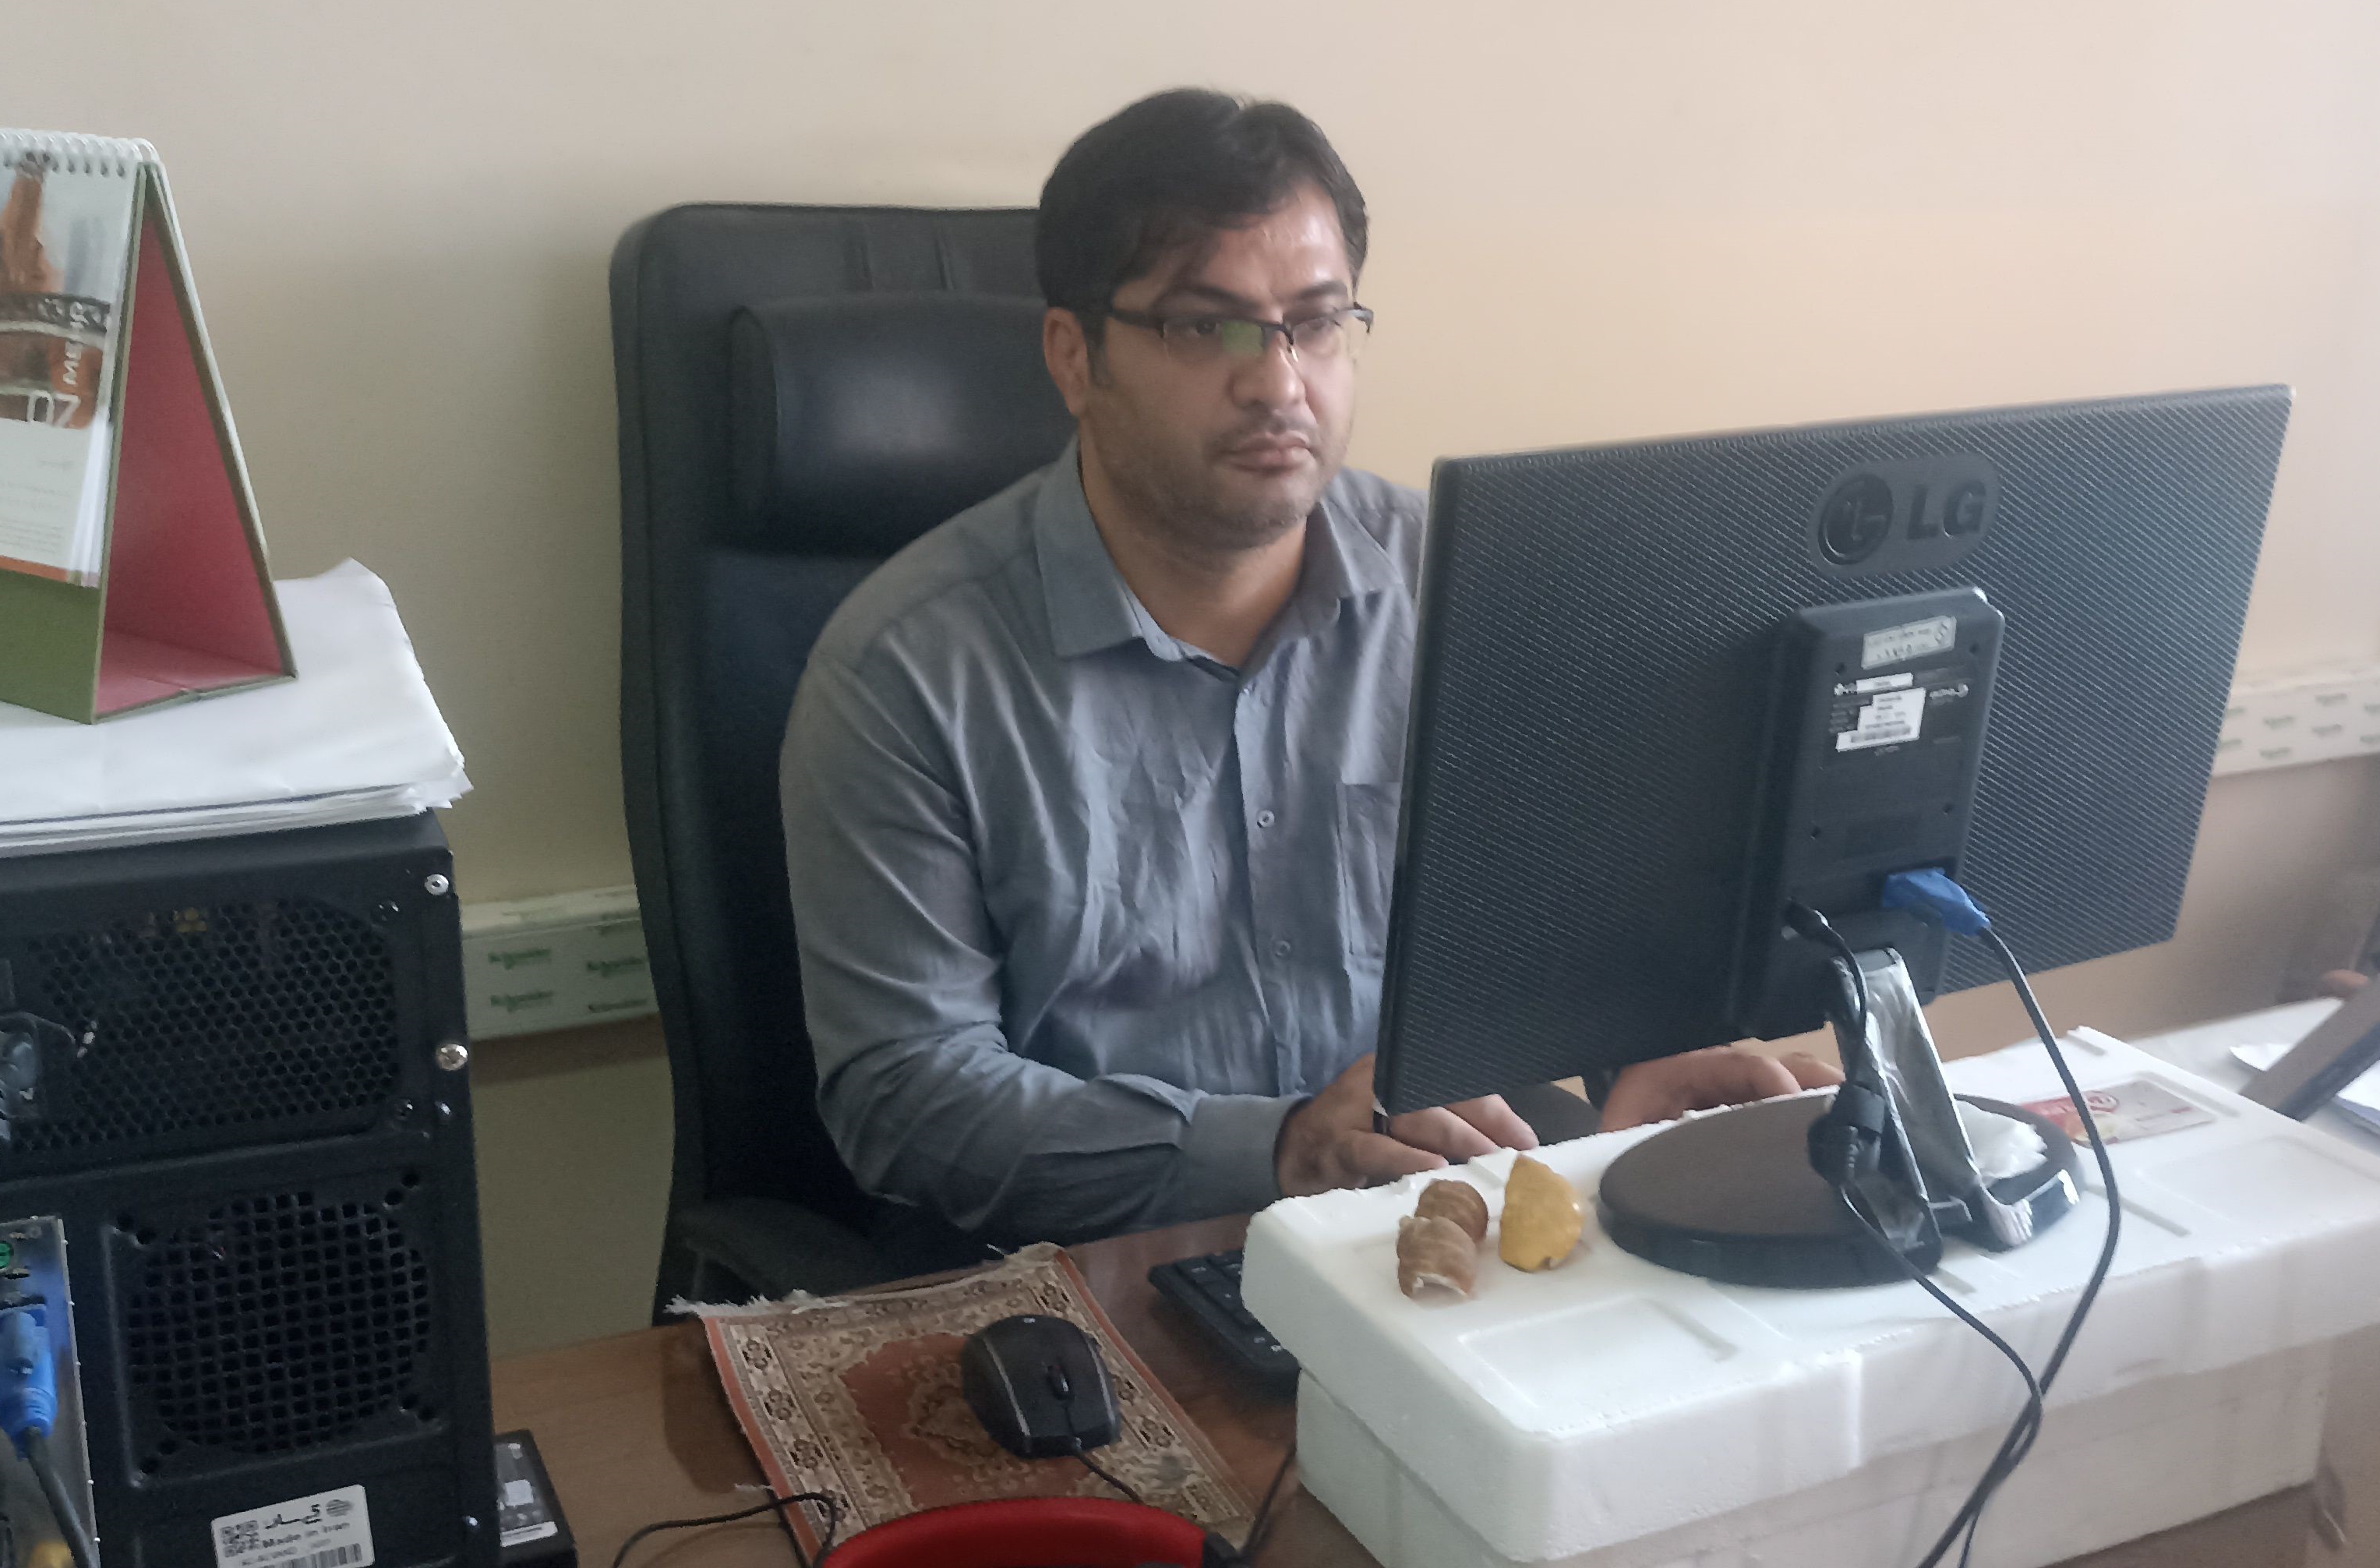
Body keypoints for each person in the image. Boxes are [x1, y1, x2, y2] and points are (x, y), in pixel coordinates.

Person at [780, 88, 1833, 1248]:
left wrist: (1646, 1055)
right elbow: (905, 1098)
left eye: (1318, 323)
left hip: (1454, 1221)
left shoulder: (1470, 591)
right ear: (1076, 358)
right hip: (1114, 1268)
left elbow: (1572, 929)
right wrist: (1279, 1150)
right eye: (1206, 328)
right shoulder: (909, 670)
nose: (1279, 383)